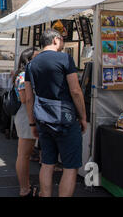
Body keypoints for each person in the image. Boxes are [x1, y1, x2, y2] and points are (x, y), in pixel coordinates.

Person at [25, 29, 88, 197]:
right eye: (62, 40)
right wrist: (83, 117)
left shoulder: (31, 64)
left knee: (47, 163)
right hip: (65, 119)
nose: (62, 44)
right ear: (55, 40)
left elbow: (29, 98)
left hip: (43, 120)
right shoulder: (65, 58)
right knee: (70, 166)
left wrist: (32, 123)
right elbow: (75, 90)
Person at [14, 47, 39, 197]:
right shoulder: (23, 76)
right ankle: (24, 188)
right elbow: (25, 99)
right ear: (28, 60)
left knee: (24, 154)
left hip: (25, 114)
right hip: (25, 114)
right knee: (23, 154)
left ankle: (26, 186)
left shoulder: (23, 74)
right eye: (36, 57)